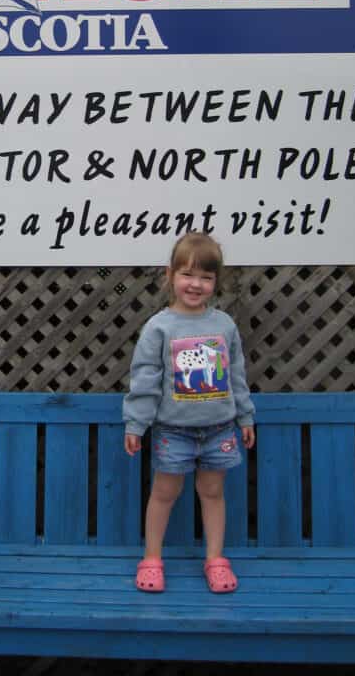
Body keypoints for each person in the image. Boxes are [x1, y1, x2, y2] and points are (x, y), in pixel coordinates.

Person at [123, 232, 255, 594]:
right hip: (173, 432)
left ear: (216, 282)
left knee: (213, 494)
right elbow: (145, 379)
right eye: (188, 274)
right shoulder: (159, 327)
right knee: (164, 493)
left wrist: (245, 416)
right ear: (170, 275)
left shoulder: (224, 325)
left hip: (219, 430)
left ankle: (215, 559)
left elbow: (236, 376)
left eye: (206, 277)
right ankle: (152, 558)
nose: (196, 284)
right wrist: (136, 423)